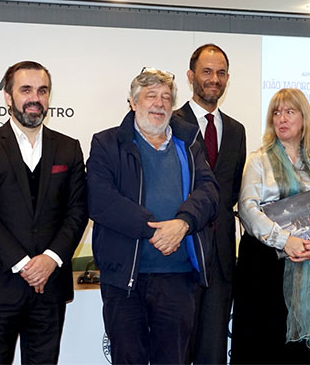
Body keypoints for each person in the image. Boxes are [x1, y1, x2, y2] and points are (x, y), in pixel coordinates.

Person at [86, 68, 219, 364]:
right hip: (126, 279)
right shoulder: (107, 144)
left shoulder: (190, 142)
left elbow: (209, 191)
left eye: (166, 97)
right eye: (150, 96)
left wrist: (182, 224)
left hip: (179, 278)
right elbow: (100, 200)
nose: (159, 103)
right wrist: (155, 231)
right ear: (133, 103)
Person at [0, 61, 88, 364]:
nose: (35, 98)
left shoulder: (69, 148)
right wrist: (24, 265)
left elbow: (78, 210)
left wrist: (51, 259)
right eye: (26, 90)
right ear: (8, 97)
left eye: (42, 91)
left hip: (50, 288)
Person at [231, 88, 310, 364]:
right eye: (276, 112)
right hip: (264, 267)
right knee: (265, 347)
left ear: (304, 118)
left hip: (308, 267)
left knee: (305, 354)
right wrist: (287, 242)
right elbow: (248, 210)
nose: (281, 118)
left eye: (289, 112)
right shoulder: (259, 159)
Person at [173, 43, 246, 364]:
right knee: (176, 348)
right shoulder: (171, 123)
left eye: (220, 73)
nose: (214, 79)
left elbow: (231, 194)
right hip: (179, 254)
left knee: (213, 350)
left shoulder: (236, 130)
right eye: (206, 72)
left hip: (220, 258)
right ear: (191, 76)